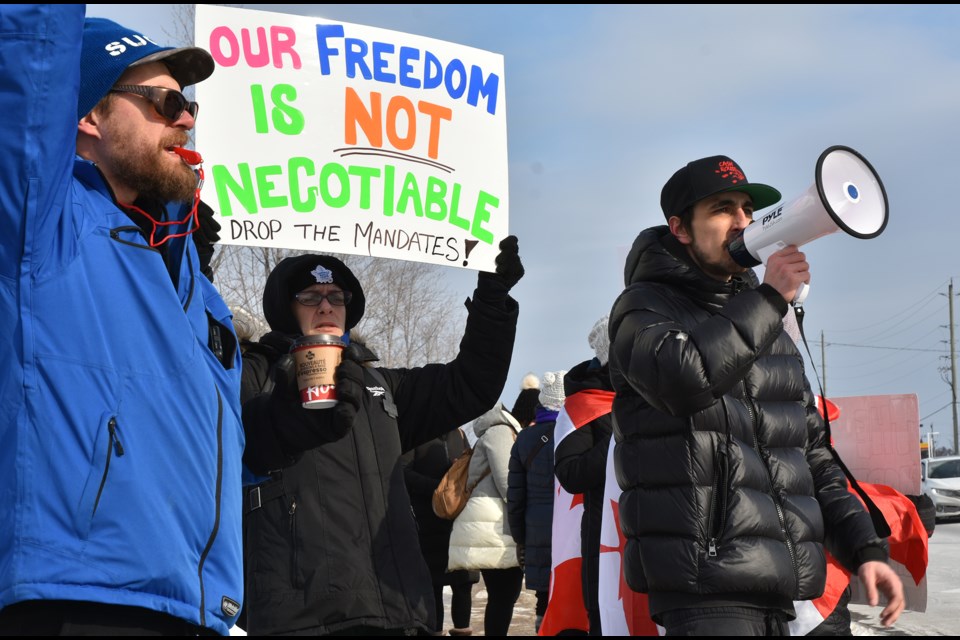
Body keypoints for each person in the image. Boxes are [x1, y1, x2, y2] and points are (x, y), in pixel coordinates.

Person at [0, 7, 245, 635]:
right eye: (162, 102)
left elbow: (207, 450)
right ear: (87, 115)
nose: (186, 116)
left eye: (188, 103)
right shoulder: (41, 226)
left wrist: (293, 427)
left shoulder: (197, 284)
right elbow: (31, 53)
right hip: (81, 600)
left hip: (194, 608)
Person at [607, 154, 905, 635]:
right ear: (680, 228)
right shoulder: (642, 308)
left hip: (778, 588)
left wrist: (864, 549)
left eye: (746, 209)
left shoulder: (767, 326)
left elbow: (810, 455)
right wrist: (768, 300)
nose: (742, 223)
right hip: (706, 583)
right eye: (723, 209)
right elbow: (686, 381)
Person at [239, 241, 523, 636]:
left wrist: (492, 300)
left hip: (397, 610)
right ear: (285, 307)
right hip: (301, 616)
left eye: (336, 296)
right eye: (310, 297)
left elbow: (470, 383)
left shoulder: (382, 386)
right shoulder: (253, 376)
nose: (325, 306)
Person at [551, 316, 615, 636]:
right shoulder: (582, 404)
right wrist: (619, 440)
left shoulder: (654, 397)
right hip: (606, 548)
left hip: (659, 546)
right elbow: (570, 473)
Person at [448, 403, 523, 636]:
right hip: (494, 525)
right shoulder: (500, 432)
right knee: (504, 594)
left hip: (491, 522)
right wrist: (524, 506)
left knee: (503, 595)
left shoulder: (496, 431)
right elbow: (507, 481)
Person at [402, 428, 481, 636]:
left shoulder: (460, 434)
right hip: (427, 520)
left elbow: (469, 469)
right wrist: (438, 489)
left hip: (458, 521)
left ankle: (462, 630)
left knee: (463, 582)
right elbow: (404, 473)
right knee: (433, 585)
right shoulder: (417, 435)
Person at [507, 370, 566, 633]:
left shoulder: (524, 438)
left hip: (536, 528)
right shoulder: (576, 433)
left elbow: (515, 496)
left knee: (543, 596)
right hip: (571, 528)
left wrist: (521, 536)